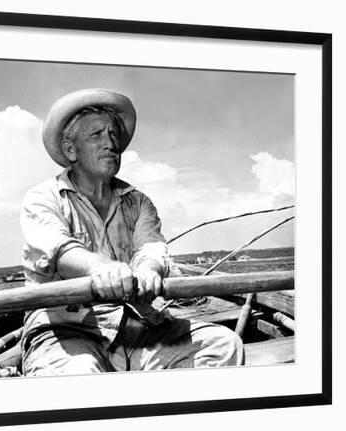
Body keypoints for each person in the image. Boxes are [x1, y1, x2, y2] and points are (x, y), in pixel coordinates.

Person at [20, 89, 243, 376]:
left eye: (113, 134)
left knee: (224, 345)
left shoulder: (138, 202)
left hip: (136, 326)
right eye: (97, 135)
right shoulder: (43, 198)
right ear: (70, 150)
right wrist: (103, 269)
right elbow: (59, 250)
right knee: (78, 375)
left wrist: (150, 269)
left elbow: (150, 248)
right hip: (67, 331)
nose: (111, 143)